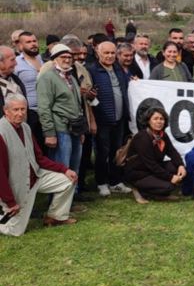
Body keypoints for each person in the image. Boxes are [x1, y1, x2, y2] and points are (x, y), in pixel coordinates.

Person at [0, 95, 78, 235]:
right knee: (15, 231)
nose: (20, 113)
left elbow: (39, 158)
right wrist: (10, 202)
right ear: (6, 111)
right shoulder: (1, 132)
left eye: (23, 109)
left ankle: (56, 217)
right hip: (17, 187)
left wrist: (64, 169)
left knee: (68, 180)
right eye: (15, 109)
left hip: (36, 177)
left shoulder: (25, 127)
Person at [36, 44, 86, 186]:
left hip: (75, 127)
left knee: (74, 165)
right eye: (63, 57)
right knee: (61, 167)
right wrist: (49, 133)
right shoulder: (47, 78)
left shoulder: (70, 77)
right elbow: (44, 107)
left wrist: (82, 130)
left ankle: (71, 198)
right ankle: (57, 203)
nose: (67, 60)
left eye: (69, 57)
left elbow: (78, 105)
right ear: (54, 59)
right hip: (60, 129)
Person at [87, 41, 132, 197]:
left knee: (116, 151)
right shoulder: (92, 70)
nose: (110, 56)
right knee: (102, 152)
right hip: (102, 119)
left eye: (112, 53)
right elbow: (88, 95)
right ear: (98, 53)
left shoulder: (119, 70)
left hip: (119, 118)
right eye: (106, 53)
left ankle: (115, 182)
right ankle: (101, 182)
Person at [123, 107, 186, 203]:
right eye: (155, 119)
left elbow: (172, 152)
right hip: (139, 174)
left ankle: (155, 189)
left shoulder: (162, 135)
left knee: (174, 167)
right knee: (169, 186)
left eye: (161, 119)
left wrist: (181, 165)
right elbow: (151, 164)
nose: (159, 121)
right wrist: (170, 177)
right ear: (148, 121)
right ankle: (140, 190)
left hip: (151, 170)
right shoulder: (142, 137)